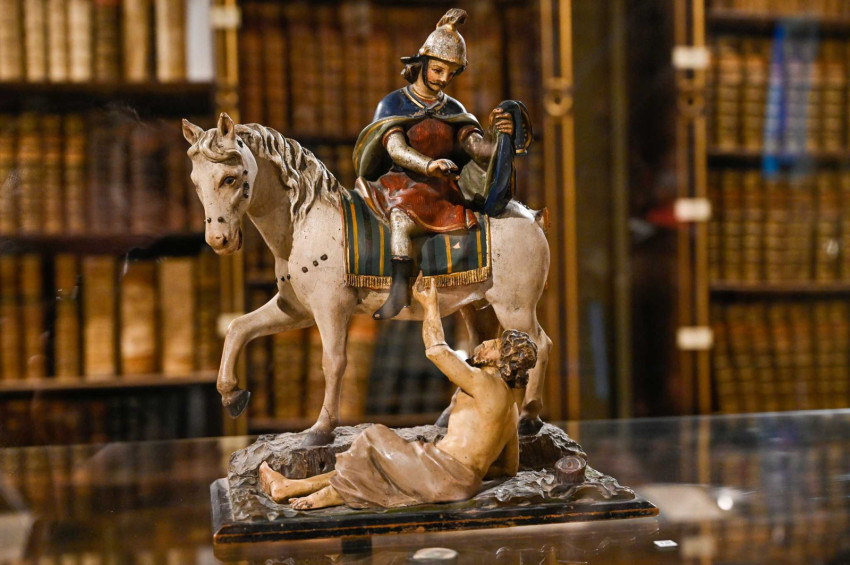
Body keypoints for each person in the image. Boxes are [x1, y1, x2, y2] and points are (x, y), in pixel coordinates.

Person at [258, 274, 538, 510]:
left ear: (501, 361)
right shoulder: (511, 408)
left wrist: (430, 306)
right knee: (376, 463)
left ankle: (320, 498)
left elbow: (437, 351)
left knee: (372, 440)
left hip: (443, 471)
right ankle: (294, 486)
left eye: (493, 346)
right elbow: (508, 468)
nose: (485, 344)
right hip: (460, 481)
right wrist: (472, 469)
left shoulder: (483, 382)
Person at [352, 8, 519, 320]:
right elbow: (396, 149)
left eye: (451, 74)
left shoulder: (453, 108)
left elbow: (476, 149)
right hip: (401, 186)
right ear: (423, 63)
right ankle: (398, 290)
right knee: (399, 219)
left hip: (442, 191)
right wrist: (429, 166)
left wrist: (499, 135)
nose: (444, 79)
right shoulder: (394, 104)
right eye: (439, 70)